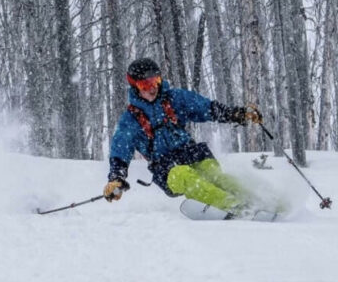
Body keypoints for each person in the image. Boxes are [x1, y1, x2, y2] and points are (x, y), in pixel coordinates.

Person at [103, 57, 262, 214]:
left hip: (192, 153)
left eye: (155, 81)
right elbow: (120, 150)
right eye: (145, 84)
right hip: (166, 167)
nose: (152, 88)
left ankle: (261, 203)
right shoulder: (131, 119)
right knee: (185, 177)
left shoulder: (175, 98)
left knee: (216, 177)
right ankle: (235, 207)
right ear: (135, 88)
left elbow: (206, 108)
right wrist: (116, 177)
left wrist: (237, 114)